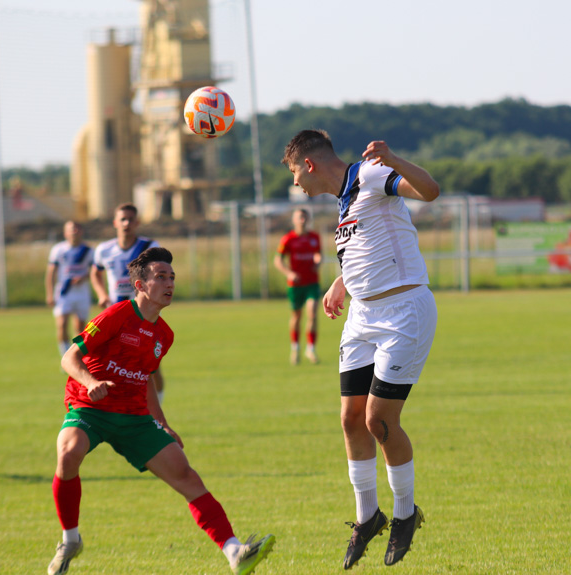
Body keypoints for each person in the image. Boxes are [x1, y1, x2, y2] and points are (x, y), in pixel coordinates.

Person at [48, 247, 274, 575]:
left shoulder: (163, 335)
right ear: (140, 285)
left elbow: (146, 380)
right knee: (68, 452)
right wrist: (90, 380)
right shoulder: (117, 315)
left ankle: (234, 550)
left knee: (185, 475)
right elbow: (69, 357)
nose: (169, 283)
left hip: (135, 417)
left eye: (172, 277)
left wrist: (163, 424)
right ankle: (70, 540)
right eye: (160, 277)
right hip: (90, 408)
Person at [282, 130, 439, 569]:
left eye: (295, 172)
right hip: (363, 318)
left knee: (378, 420)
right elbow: (365, 249)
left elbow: (430, 191)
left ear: (309, 165)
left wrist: (396, 159)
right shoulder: (343, 203)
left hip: (403, 313)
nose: (295, 183)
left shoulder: (370, 174)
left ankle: (406, 514)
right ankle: (367, 517)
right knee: (351, 418)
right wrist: (340, 281)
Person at [90, 204, 166, 403]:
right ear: (115, 222)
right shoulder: (104, 249)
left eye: (131, 219)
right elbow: (95, 272)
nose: (126, 223)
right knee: (113, 363)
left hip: (143, 314)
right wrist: (101, 294)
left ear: (137, 222)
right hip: (115, 314)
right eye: (122, 219)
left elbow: (161, 275)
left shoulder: (149, 247)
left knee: (150, 366)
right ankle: (119, 407)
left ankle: (158, 410)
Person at [273, 208, 322, 365]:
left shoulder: (314, 237)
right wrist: (289, 273)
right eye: (300, 217)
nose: (303, 220)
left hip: (312, 282)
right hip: (296, 284)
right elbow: (278, 260)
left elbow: (318, 254)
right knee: (296, 316)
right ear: (294, 220)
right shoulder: (288, 239)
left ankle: (311, 349)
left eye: (305, 217)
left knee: (313, 312)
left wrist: (318, 260)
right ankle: (295, 348)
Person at [45, 221, 93, 358]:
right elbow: (51, 272)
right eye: (71, 229)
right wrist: (49, 293)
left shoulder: (88, 250)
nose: (74, 232)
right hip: (63, 293)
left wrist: (83, 278)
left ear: (81, 231)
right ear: (65, 232)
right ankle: (65, 356)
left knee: (79, 328)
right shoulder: (58, 249)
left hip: (81, 293)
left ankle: (78, 357)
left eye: (77, 229)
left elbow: (94, 272)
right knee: (61, 324)